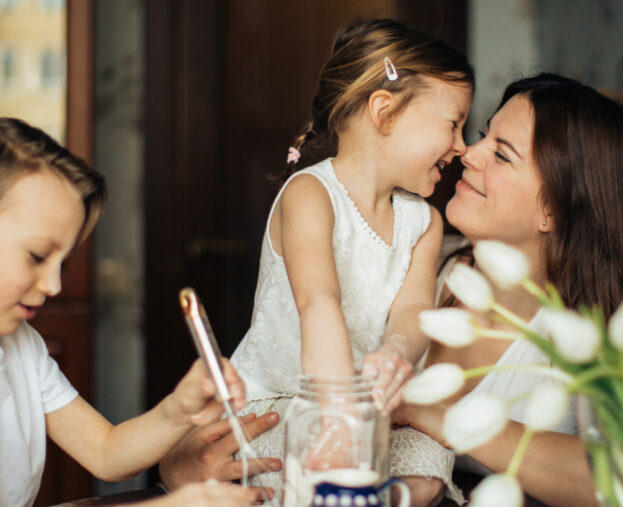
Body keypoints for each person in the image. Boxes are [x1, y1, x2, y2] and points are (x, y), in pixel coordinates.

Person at [0, 113, 256, 506]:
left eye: (61, 264)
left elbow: (104, 451)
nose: (53, 285)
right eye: (36, 256)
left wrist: (178, 411)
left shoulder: (18, 342)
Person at [164, 18, 474, 506]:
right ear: (385, 111)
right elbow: (319, 304)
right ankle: (347, 488)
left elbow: (413, 312)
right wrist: (336, 420)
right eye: (453, 123)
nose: (461, 146)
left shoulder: (424, 223)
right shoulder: (310, 194)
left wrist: (396, 351)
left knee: (430, 454)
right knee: (289, 451)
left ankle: (373, 493)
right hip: (288, 401)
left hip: (369, 412)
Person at [393, 73, 623, 506]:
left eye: (502, 155)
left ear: (553, 209)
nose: (468, 152)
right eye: (484, 135)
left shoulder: (587, 340)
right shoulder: (415, 261)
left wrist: (446, 418)